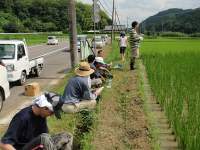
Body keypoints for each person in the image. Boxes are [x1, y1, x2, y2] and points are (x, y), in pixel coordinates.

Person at [0, 92, 72, 150]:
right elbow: (3, 144)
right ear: (45, 108)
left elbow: (46, 137)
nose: (51, 115)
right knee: (44, 138)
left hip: (37, 145)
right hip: (23, 147)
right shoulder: (22, 117)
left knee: (67, 135)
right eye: (51, 112)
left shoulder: (41, 116)